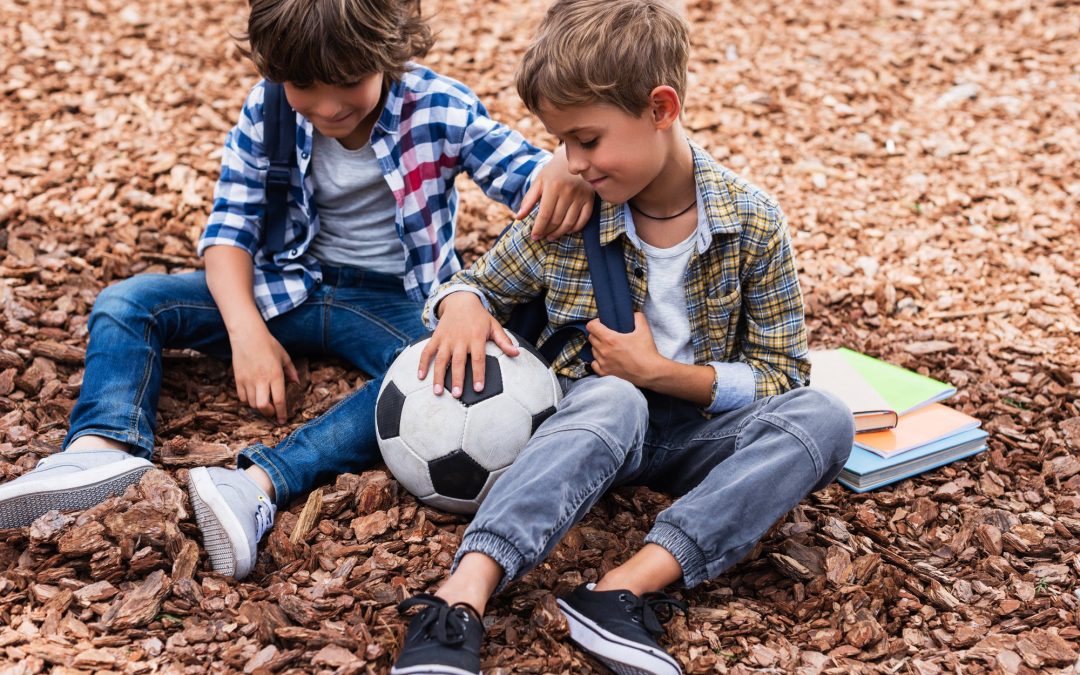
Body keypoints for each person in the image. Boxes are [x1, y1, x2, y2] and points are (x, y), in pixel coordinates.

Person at [0, 0, 593, 581]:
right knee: (127, 304)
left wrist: (565, 162)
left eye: (349, 82)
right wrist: (247, 334)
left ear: (387, 53)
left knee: (436, 376)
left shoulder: (437, 106)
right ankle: (101, 447)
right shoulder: (269, 111)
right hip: (288, 288)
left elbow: (532, 179)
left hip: (396, 299)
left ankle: (257, 484)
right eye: (304, 84)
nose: (329, 106)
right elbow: (228, 234)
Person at [389, 1, 855, 673]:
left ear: (661, 109)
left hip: (705, 438)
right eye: (562, 144)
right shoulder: (573, 210)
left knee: (826, 417)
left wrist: (663, 373)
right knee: (616, 397)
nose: (572, 163)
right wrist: (462, 303)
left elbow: (784, 374)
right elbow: (475, 282)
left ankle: (621, 591)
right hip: (597, 431)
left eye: (586, 140)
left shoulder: (752, 223)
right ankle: (462, 594)